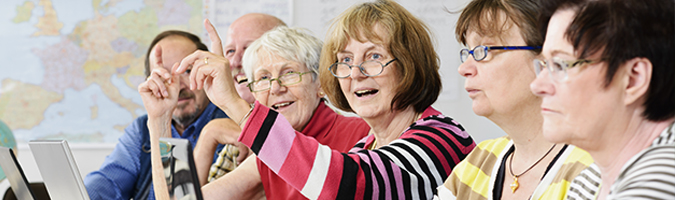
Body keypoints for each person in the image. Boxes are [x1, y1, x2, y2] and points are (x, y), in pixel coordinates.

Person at [175, 0, 476, 199]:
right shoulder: (274, 148)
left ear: (320, 84)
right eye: (263, 78)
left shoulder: (357, 137)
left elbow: (348, 183)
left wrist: (236, 109)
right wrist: (162, 126)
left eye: (289, 73)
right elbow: (182, 198)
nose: (275, 88)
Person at [436, 0, 595, 199]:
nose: (464, 69)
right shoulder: (479, 160)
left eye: (485, 50)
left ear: (548, 58)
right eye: (468, 52)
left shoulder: (592, 168)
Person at [530, 0, 675, 199]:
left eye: (561, 64)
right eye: (545, 65)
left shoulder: (661, 177)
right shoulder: (589, 181)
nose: (537, 86)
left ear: (633, 79)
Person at [83, 30, 228, 200]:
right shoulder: (142, 130)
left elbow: (183, 197)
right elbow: (106, 182)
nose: (178, 86)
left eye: (187, 71)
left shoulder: (227, 127)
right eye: (163, 76)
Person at [191, 13, 287, 185]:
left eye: (249, 49)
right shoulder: (233, 129)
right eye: (230, 51)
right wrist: (158, 120)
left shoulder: (290, 124)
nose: (235, 62)